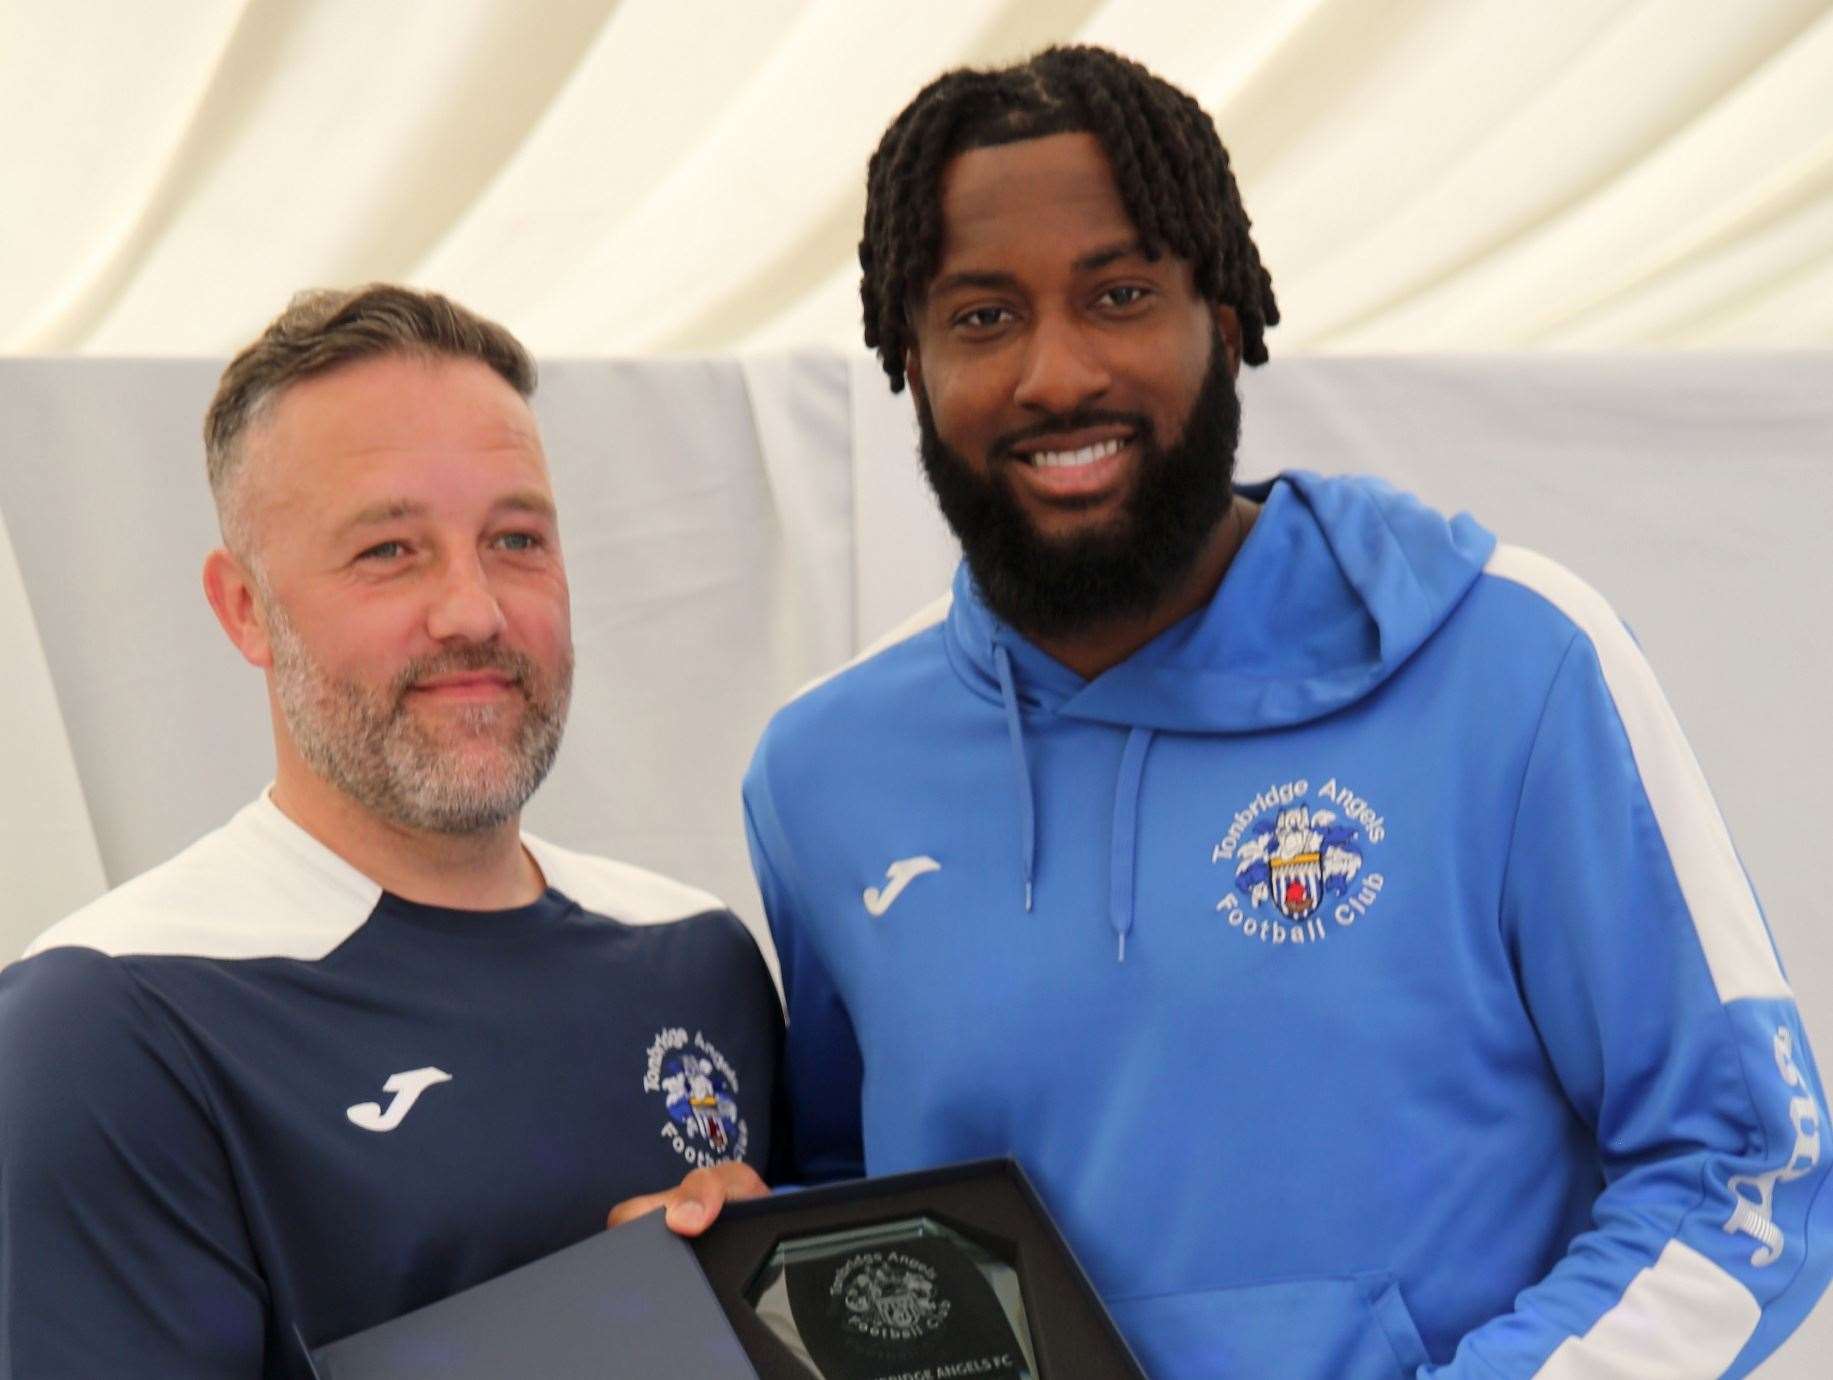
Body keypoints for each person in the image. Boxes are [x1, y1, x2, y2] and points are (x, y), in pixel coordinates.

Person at [658, 45, 1832, 1379]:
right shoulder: (825, 774)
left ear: (1221, 316)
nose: (1055, 374)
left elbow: (1745, 1161)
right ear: (906, 361)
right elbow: (864, 1219)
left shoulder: (1511, 661)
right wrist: (732, 1249)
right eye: (981, 317)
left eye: (1118, 293)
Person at [0, 286, 780, 1378]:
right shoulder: (111, 1018)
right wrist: (610, 1338)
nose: (473, 611)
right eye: (389, 551)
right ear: (245, 610)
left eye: (515, 538)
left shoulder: (699, 955)